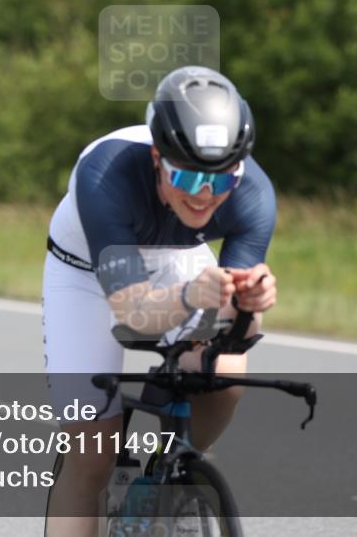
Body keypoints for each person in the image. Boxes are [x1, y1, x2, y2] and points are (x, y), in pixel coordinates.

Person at [41, 65, 278, 536]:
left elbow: (233, 333)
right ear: (157, 158)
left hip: (179, 258)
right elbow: (134, 315)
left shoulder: (253, 194)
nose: (205, 196)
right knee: (92, 453)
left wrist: (251, 304)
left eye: (221, 181)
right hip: (86, 273)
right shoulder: (104, 175)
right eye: (188, 180)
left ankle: (177, 473)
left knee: (224, 374)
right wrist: (193, 296)